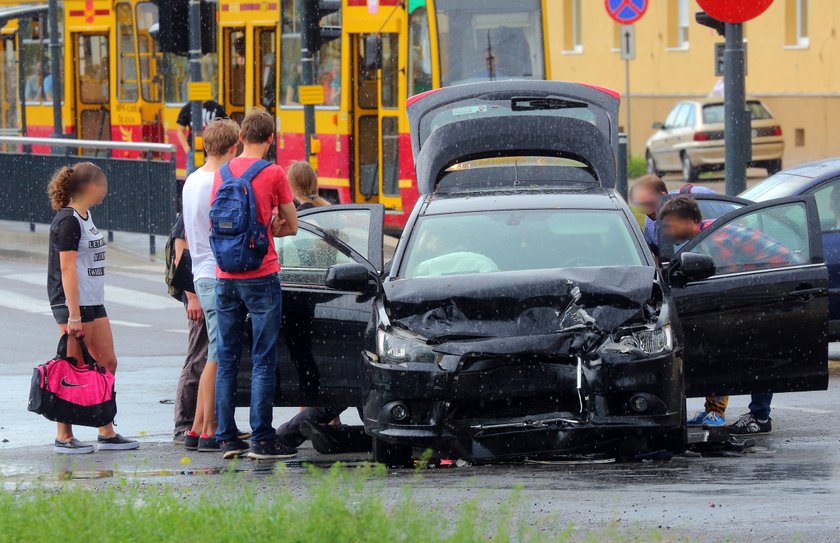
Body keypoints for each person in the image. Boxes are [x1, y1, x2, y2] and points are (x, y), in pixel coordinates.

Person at [659, 195, 801, 434]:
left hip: (780, 290)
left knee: (757, 352)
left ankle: (759, 417)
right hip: (773, 287)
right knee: (730, 345)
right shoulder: (707, 235)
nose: (667, 231)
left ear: (688, 221)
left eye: (670, 225)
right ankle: (721, 409)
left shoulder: (716, 238)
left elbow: (725, 283)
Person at [212, 109, 299, 460]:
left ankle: (227, 437)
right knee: (263, 359)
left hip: (224, 276)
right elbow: (291, 225)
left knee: (227, 358)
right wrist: (270, 227)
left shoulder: (222, 173)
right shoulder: (274, 172)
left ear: (240, 138)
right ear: (271, 139)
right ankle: (262, 439)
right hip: (260, 274)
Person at [47, 163, 139, 454]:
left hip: (93, 301)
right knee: (71, 369)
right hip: (72, 304)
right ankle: (64, 434)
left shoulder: (86, 216)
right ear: (89, 186)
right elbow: (67, 268)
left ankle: (106, 430)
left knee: (107, 363)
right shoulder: (68, 220)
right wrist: (73, 314)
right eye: (102, 184)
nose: (105, 189)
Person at [181, 118, 241, 452]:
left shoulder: (192, 180)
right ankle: (207, 428)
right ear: (233, 147)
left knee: (214, 351)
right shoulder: (218, 181)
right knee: (217, 355)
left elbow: (189, 235)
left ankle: (197, 427)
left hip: (200, 271)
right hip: (217, 273)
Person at [171, 213, 209, 444]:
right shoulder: (189, 213)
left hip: (206, 291)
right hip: (197, 294)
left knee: (207, 358)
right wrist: (192, 297)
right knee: (198, 357)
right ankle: (183, 424)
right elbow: (180, 257)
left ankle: (206, 421)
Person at [629, 175, 718, 259]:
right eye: (640, 207)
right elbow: (658, 259)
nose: (647, 212)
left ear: (663, 196)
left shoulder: (701, 196)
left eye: (649, 204)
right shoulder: (650, 225)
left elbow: (730, 218)